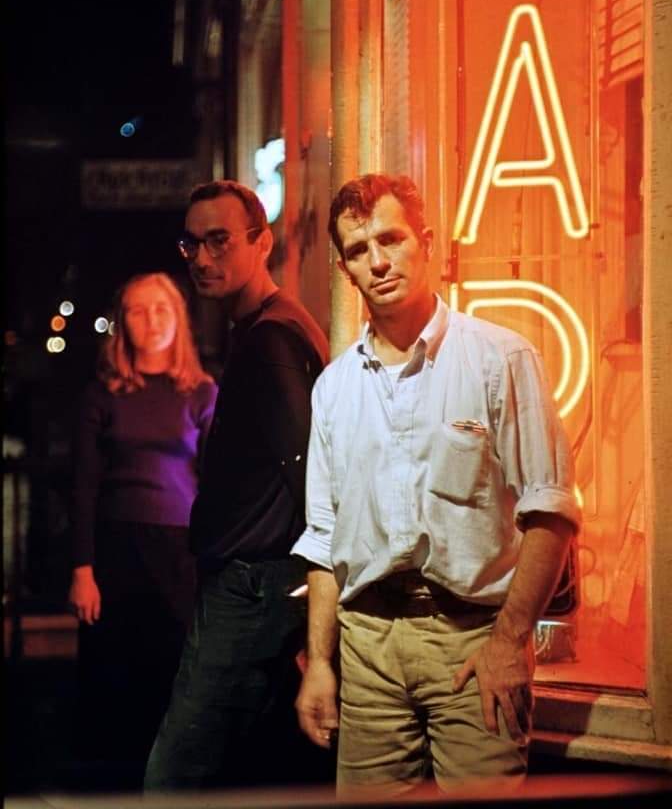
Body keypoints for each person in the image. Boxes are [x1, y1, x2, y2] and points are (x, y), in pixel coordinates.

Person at [292, 174, 581, 794]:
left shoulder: (499, 358)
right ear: (346, 269)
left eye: (391, 239)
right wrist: (319, 664)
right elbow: (322, 539)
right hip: (367, 643)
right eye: (359, 250)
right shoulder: (335, 388)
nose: (378, 261)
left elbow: (550, 511)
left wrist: (510, 641)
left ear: (427, 243)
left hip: (471, 639)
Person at [144, 180, 330, 791]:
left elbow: (308, 470)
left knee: (177, 775)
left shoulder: (271, 337)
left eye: (219, 241)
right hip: (259, 580)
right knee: (249, 769)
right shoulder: (262, 329)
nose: (201, 258)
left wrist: (317, 604)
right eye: (191, 243)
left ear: (262, 241)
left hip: (254, 584)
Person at [69, 272, 217, 788]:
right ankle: (111, 789)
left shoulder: (201, 392)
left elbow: (216, 485)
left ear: (178, 318)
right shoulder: (101, 394)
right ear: (122, 324)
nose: (151, 320)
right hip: (115, 555)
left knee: (171, 679)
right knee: (113, 681)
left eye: (162, 309)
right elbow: (83, 486)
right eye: (137, 310)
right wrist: (82, 569)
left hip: (179, 556)